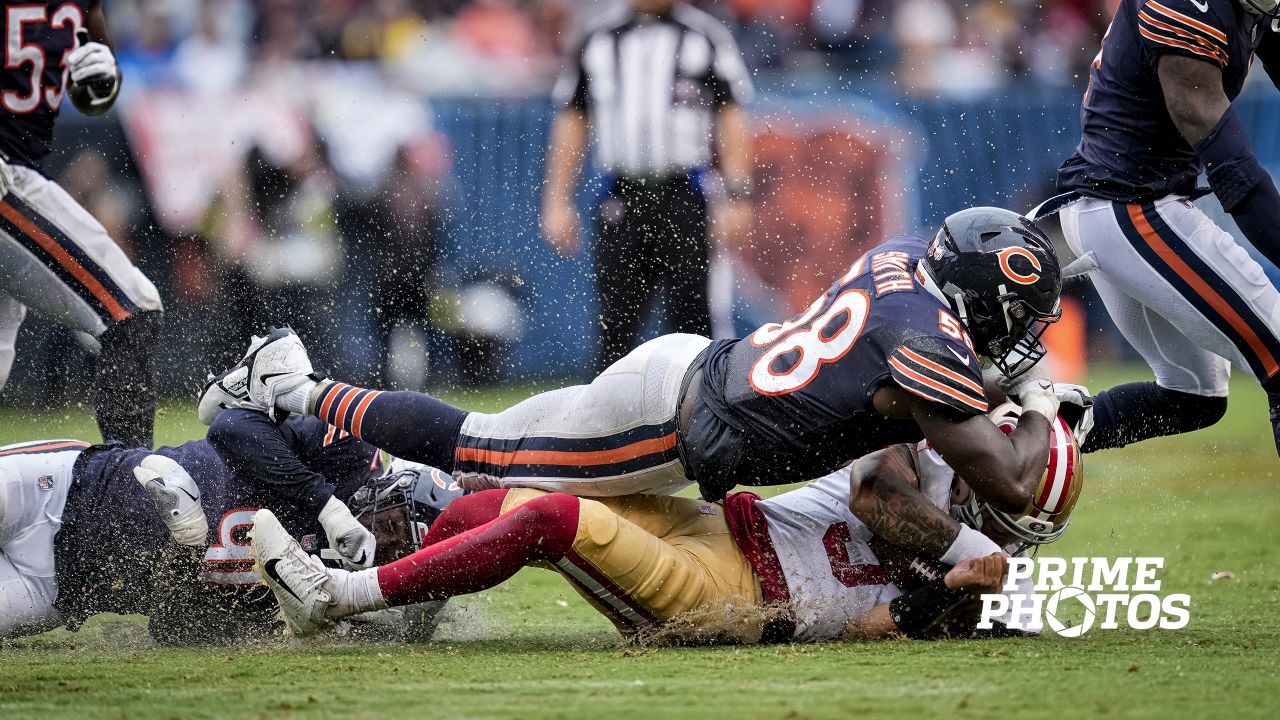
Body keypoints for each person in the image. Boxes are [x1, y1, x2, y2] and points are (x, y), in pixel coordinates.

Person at [203, 207, 1065, 516]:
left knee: (500, 455)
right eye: (1015, 316)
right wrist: (1039, 397)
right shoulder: (925, 343)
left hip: (696, 371)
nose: (1014, 335)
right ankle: (295, 386)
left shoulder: (907, 263)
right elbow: (1010, 480)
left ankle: (340, 431)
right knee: (483, 444)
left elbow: (900, 387)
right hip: (668, 422)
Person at [251, 402, 1084, 643]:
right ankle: (401, 618)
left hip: (735, 599)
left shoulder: (993, 593)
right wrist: (967, 551)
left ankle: (339, 596)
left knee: (549, 519)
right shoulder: (925, 478)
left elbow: (872, 627)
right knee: (486, 505)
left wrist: (944, 595)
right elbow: (876, 498)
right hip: (720, 524)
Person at [0, 402, 461, 644]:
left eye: (401, 552)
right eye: (395, 527)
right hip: (65, 485)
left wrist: (184, 553)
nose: (382, 545)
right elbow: (233, 426)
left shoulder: (330, 589)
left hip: (61, 592)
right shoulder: (348, 454)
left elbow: (173, 629)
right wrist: (324, 504)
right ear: (395, 486)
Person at [1052, 0, 1280, 454]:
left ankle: (1015, 446)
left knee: (1193, 396)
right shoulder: (1186, 8)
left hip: (1122, 205)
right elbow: (1235, 173)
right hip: (1131, 209)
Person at [541, 0, 754, 372]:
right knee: (615, 327)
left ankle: (701, 422)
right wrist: (557, 200)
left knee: (695, 323)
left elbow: (730, 115)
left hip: (685, 194)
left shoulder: (704, 35)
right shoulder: (598, 38)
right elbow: (573, 118)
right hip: (621, 195)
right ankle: (610, 426)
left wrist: (737, 196)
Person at [0, 1, 163, 448]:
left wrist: (100, 83)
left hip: (22, 168)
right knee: (132, 311)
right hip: (7, 177)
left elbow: (92, 83)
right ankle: (128, 497)